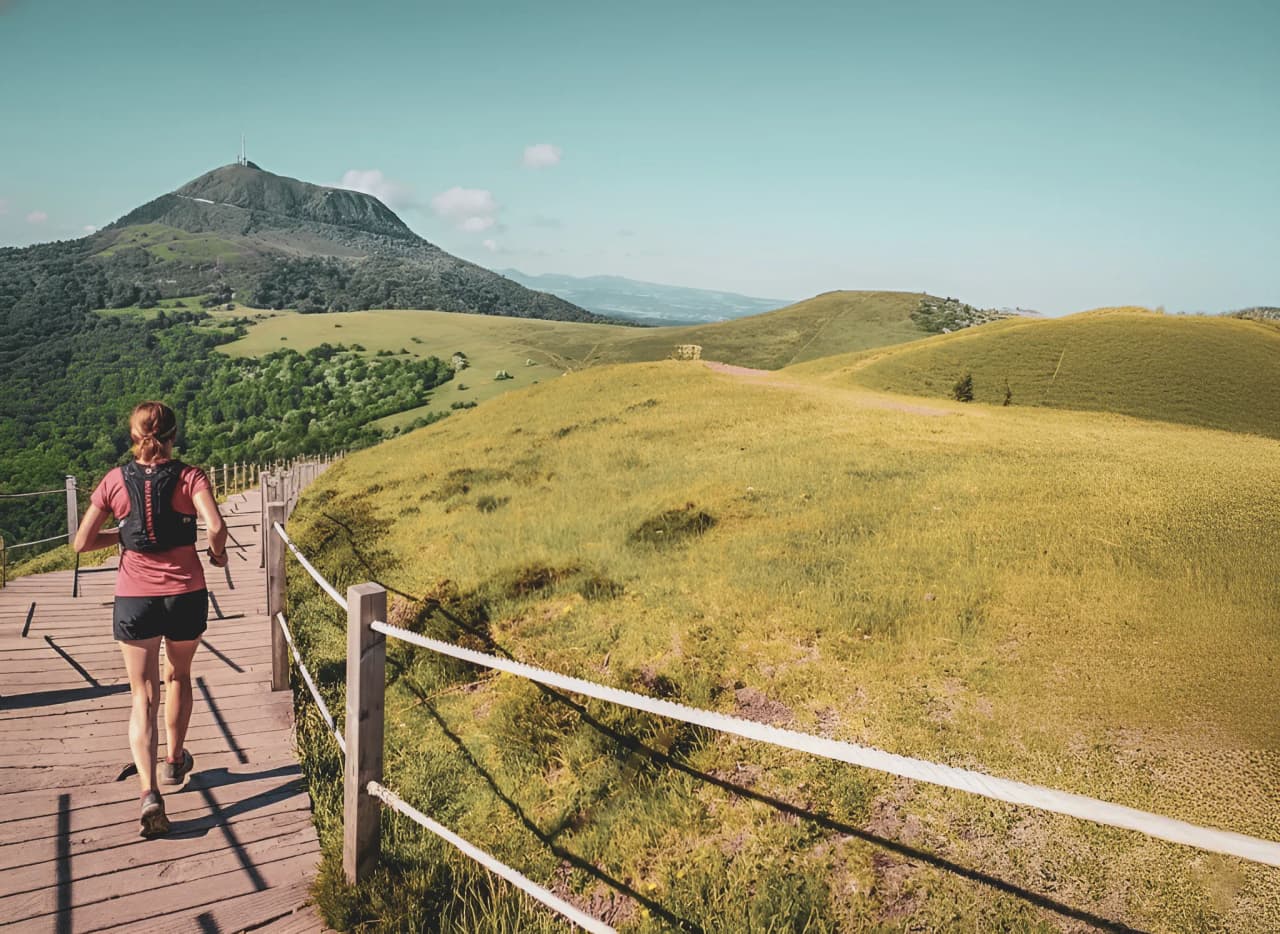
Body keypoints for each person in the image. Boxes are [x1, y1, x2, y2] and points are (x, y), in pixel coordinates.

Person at [74, 401, 228, 838]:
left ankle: (148, 793)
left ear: (134, 437)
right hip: (185, 594)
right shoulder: (190, 476)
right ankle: (175, 760)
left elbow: (81, 542)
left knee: (142, 694)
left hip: (135, 599)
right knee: (179, 675)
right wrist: (216, 554)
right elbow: (215, 527)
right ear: (174, 435)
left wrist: (123, 533)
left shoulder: (113, 481)